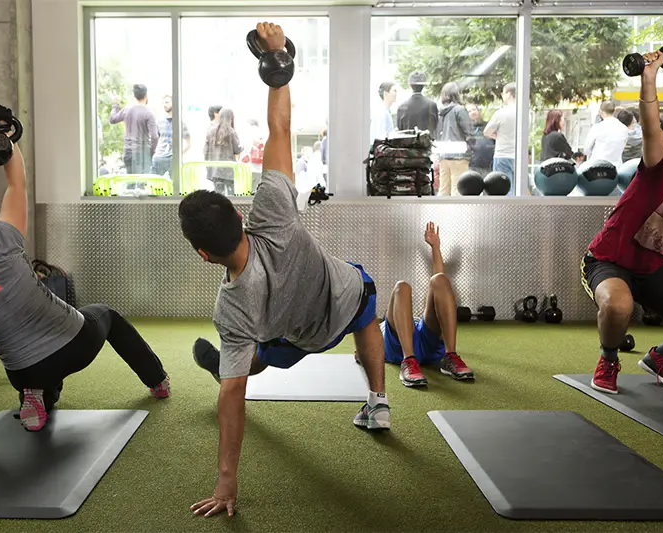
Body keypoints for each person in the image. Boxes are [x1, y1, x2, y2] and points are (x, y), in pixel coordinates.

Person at [182, 22, 390, 518]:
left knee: (245, 363)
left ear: (203, 255)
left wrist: (226, 484)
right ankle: (378, 401)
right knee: (366, 306)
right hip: (345, 295)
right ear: (238, 215)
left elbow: (234, 399)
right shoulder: (272, 211)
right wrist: (277, 62)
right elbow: (280, 128)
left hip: (301, 338)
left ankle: (227, 359)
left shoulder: (232, 308)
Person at [0, 140, 170, 450]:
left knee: (38, 372)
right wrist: (7, 139)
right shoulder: (4, 241)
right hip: (76, 344)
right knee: (107, 315)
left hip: (27, 370)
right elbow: (17, 181)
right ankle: (157, 381)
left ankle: (35, 395)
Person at [580, 49, 663, 395]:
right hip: (608, 261)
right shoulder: (662, 167)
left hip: (650, 271)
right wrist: (649, 78)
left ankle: (660, 357)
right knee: (619, 304)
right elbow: (651, 125)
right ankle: (609, 358)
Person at [367, 222, 474, 387]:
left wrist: (435, 248)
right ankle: (408, 360)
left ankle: (450, 355)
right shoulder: (382, 327)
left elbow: (439, 282)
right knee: (402, 286)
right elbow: (364, 344)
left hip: (427, 345)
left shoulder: (416, 325)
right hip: (398, 347)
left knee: (440, 279)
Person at [109, 84, 159, 174]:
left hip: (128, 152)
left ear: (134, 96)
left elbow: (112, 119)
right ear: (146, 96)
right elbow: (154, 136)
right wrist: (151, 152)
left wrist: (115, 105)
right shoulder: (149, 113)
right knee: (142, 184)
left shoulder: (127, 109)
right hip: (142, 153)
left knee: (130, 183)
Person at [436, 82, 474, 196]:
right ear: (457, 94)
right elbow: (469, 132)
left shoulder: (440, 112)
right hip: (459, 154)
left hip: (443, 155)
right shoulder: (459, 110)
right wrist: (470, 147)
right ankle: (456, 213)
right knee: (458, 189)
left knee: (444, 189)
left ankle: (442, 213)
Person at [484, 82, 517, 194]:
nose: (502, 96)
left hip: (502, 155)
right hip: (518, 156)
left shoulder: (501, 113)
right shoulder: (526, 113)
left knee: (502, 189)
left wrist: (497, 136)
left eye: (503, 93)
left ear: (509, 94)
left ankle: (507, 210)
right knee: (516, 188)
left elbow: (487, 132)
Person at [204, 107, 243, 195]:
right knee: (231, 196)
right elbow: (237, 149)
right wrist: (243, 146)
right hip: (228, 171)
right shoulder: (231, 132)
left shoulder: (211, 131)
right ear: (231, 118)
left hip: (215, 170)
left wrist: (208, 168)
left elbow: (205, 151)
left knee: (218, 197)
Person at [152, 94, 191, 178]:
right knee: (154, 184)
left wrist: (178, 154)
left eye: (167, 102)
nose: (164, 104)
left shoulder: (180, 123)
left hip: (173, 159)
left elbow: (188, 144)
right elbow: (154, 139)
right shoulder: (159, 122)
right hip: (159, 158)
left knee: (175, 185)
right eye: (163, 103)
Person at [584, 101, 628, 169]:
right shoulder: (624, 128)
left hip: (597, 168)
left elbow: (586, 150)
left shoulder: (597, 128)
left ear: (601, 111)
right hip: (617, 168)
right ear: (613, 111)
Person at [396, 71, 438, 139]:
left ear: (409, 85)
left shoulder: (402, 107)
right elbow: (435, 126)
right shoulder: (432, 105)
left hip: (408, 147)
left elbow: (400, 130)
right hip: (427, 146)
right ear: (424, 85)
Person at [466, 103, 495, 177]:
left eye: (474, 109)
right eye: (469, 111)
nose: (472, 112)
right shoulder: (466, 129)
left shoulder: (488, 126)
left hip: (490, 167)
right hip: (473, 168)